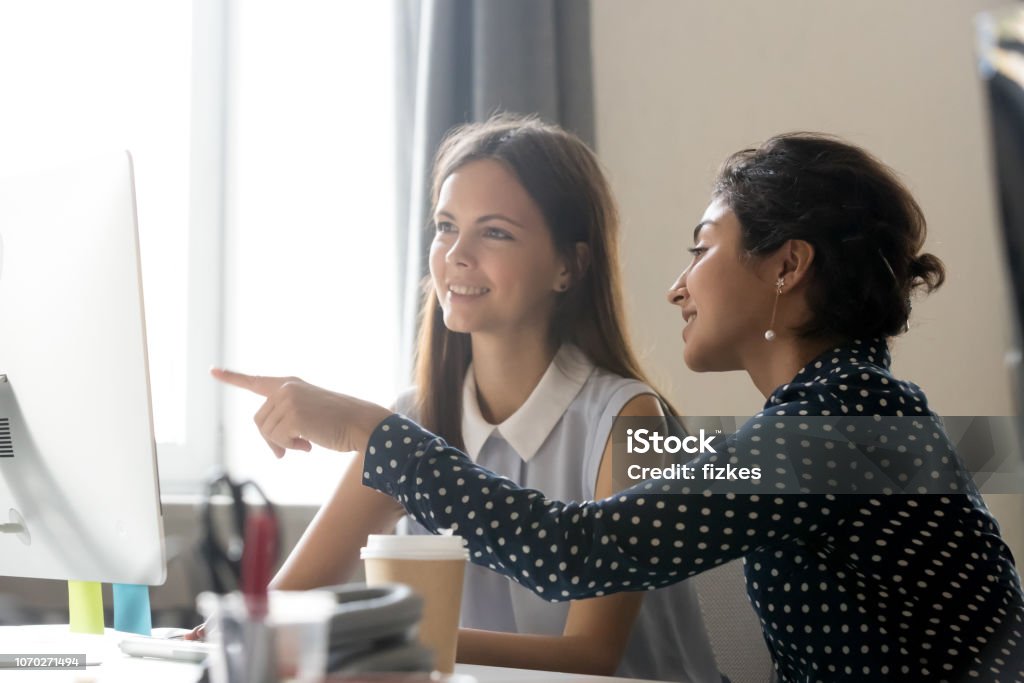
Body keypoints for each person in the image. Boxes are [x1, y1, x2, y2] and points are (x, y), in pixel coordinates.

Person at [223, 132, 1024, 681]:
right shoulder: (835, 414)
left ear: (787, 266)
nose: (679, 284)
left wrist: (372, 433)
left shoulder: (838, 425)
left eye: (702, 248)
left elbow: (576, 552)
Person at [213, 115, 719, 681]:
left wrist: (388, 639)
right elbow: (287, 600)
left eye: (495, 232)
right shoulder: (416, 419)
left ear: (568, 265)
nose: (456, 253)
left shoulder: (626, 420)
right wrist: (215, 638)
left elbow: (590, 654)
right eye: (445, 226)